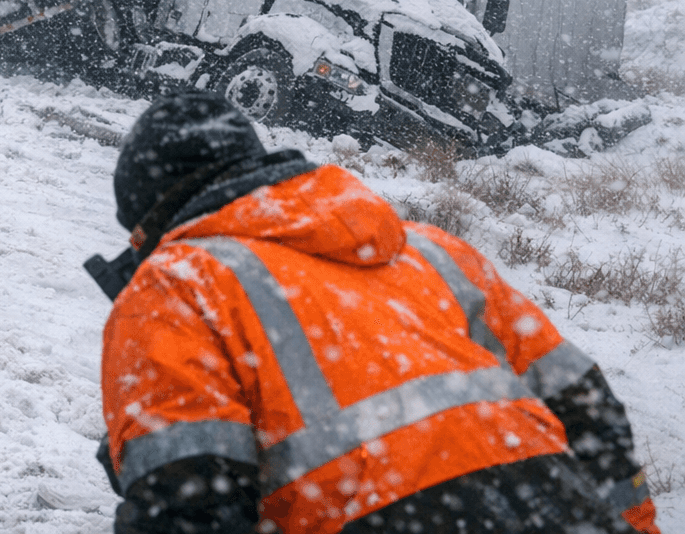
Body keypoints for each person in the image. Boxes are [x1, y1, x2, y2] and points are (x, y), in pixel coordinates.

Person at [89, 91, 660, 534]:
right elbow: (584, 403)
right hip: (565, 511)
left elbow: (187, 502)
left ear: (149, 219)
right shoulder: (434, 250)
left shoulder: (175, 284)